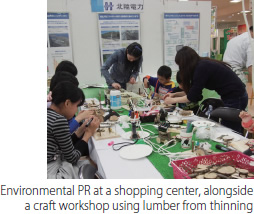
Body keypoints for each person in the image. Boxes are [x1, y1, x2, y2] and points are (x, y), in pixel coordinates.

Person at [164, 46, 248, 133]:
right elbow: (193, 93)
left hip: (236, 96)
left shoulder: (201, 68)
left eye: (180, 65)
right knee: (229, 126)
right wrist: (174, 95)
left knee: (230, 129)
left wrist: (171, 100)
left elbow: (191, 97)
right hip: (232, 95)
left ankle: (238, 145)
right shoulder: (200, 66)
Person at [47, 81, 100, 179]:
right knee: (91, 167)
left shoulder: (49, 113)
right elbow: (72, 158)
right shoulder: (58, 120)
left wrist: (80, 130)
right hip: (51, 171)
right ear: (67, 103)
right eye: (76, 106)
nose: (76, 110)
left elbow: (64, 143)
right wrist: (88, 134)